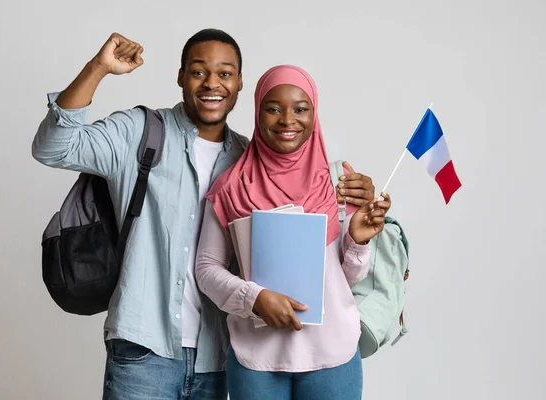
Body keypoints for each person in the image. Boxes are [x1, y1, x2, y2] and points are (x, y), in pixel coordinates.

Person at [32, 29, 376, 399]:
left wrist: (355, 219)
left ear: (241, 83)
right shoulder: (140, 132)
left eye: (225, 73)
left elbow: (314, 259)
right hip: (145, 349)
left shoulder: (248, 163)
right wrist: (98, 67)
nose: (212, 83)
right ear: (180, 76)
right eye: (199, 71)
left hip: (217, 356)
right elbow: (54, 148)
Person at [196, 65, 392, 400]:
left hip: (333, 355)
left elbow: (350, 278)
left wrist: (357, 241)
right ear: (258, 112)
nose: (288, 120)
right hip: (256, 358)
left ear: (314, 115)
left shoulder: (340, 183)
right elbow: (206, 269)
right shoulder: (230, 186)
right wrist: (255, 299)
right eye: (273, 109)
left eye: (301, 109)